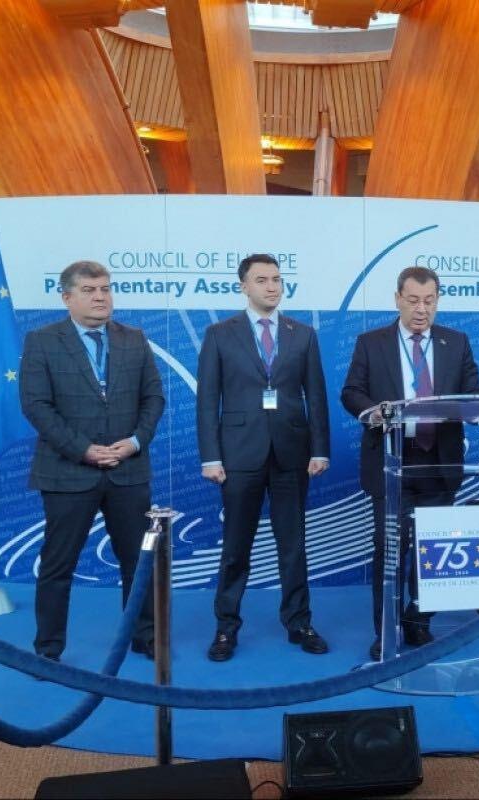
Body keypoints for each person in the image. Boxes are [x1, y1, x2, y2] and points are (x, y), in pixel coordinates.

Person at [20, 260, 165, 663]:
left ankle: (145, 635)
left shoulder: (134, 339)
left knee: (138, 561)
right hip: (67, 471)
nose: (101, 297)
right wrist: (82, 449)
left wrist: (135, 441)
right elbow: (36, 405)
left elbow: (154, 398)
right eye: (89, 290)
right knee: (57, 564)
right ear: (66, 297)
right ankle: (48, 648)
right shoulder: (42, 341)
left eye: (105, 288)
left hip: (128, 471)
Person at [341, 265, 479, 661]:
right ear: (398, 299)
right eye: (414, 300)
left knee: (432, 552)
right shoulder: (371, 342)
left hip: (440, 465)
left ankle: (419, 623)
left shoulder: (457, 342)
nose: (422, 309)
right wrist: (371, 413)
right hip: (391, 463)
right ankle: (385, 631)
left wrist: (474, 407)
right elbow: (352, 391)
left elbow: (472, 391)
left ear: (437, 301)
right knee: (389, 551)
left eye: (429, 301)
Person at [197, 254, 331, 662]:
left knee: (293, 545)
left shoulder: (303, 334)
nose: (272, 286)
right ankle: (226, 628)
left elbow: (316, 395)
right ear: (244, 286)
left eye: (276, 279)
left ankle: (299, 622)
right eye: (262, 280)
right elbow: (207, 400)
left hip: (292, 453)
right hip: (238, 455)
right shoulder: (220, 333)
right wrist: (210, 457)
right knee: (236, 547)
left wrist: (320, 448)